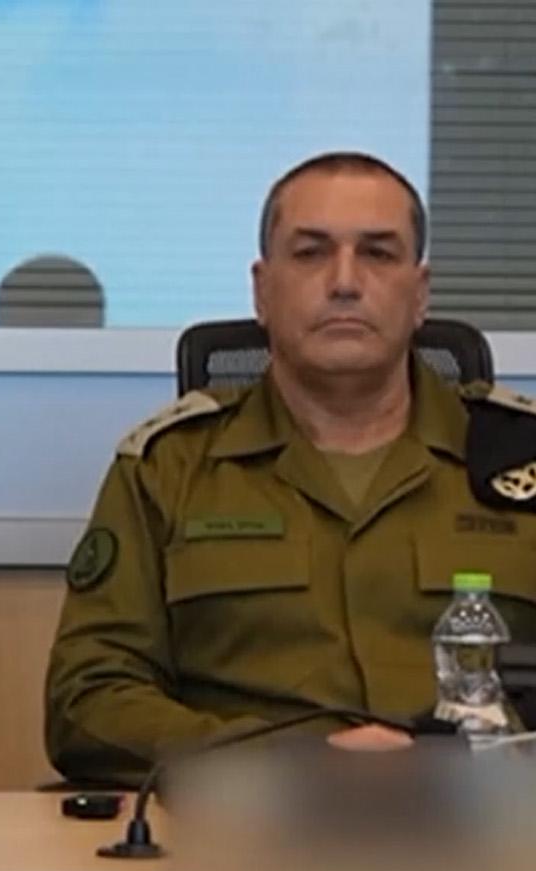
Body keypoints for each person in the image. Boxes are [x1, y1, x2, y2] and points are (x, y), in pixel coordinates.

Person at [46, 151, 536, 785]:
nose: (344, 281)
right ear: (262, 290)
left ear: (420, 295)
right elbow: (87, 699)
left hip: (482, 819)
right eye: (310, 253)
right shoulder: (170, 468)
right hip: (248, 821)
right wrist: (282, 759)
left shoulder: (521, 461)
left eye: (378, 254)